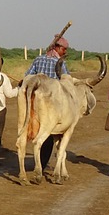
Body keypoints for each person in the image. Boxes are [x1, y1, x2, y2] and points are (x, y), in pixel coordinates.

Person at [24, 36, 72, 170]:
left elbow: (27, 76)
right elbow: (66, 81)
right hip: (52, 102)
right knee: (49, 134)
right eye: (64, 49)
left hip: (34, 98)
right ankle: (41, 164)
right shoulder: (60, 63)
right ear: (57, 47)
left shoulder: (38, 59)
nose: (65, 52)